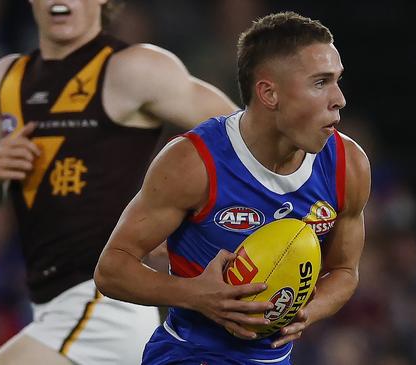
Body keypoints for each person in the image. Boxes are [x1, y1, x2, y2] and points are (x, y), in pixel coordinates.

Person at [0, 0, 237, 364]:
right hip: (49, 306)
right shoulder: (9, 77)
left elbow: (240, 137)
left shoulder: (135, 67)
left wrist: (187, 222)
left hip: (105, 302)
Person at [95, 11, 371, 364]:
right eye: (320, 83)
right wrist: (195, 295)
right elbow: (111, 268)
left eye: (337, 80)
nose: (339, 98)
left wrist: (308, 310)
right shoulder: (192, 162)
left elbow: (345, 272)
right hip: (189, 351)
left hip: (272, 358)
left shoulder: (349, 165)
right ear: (269, 93)